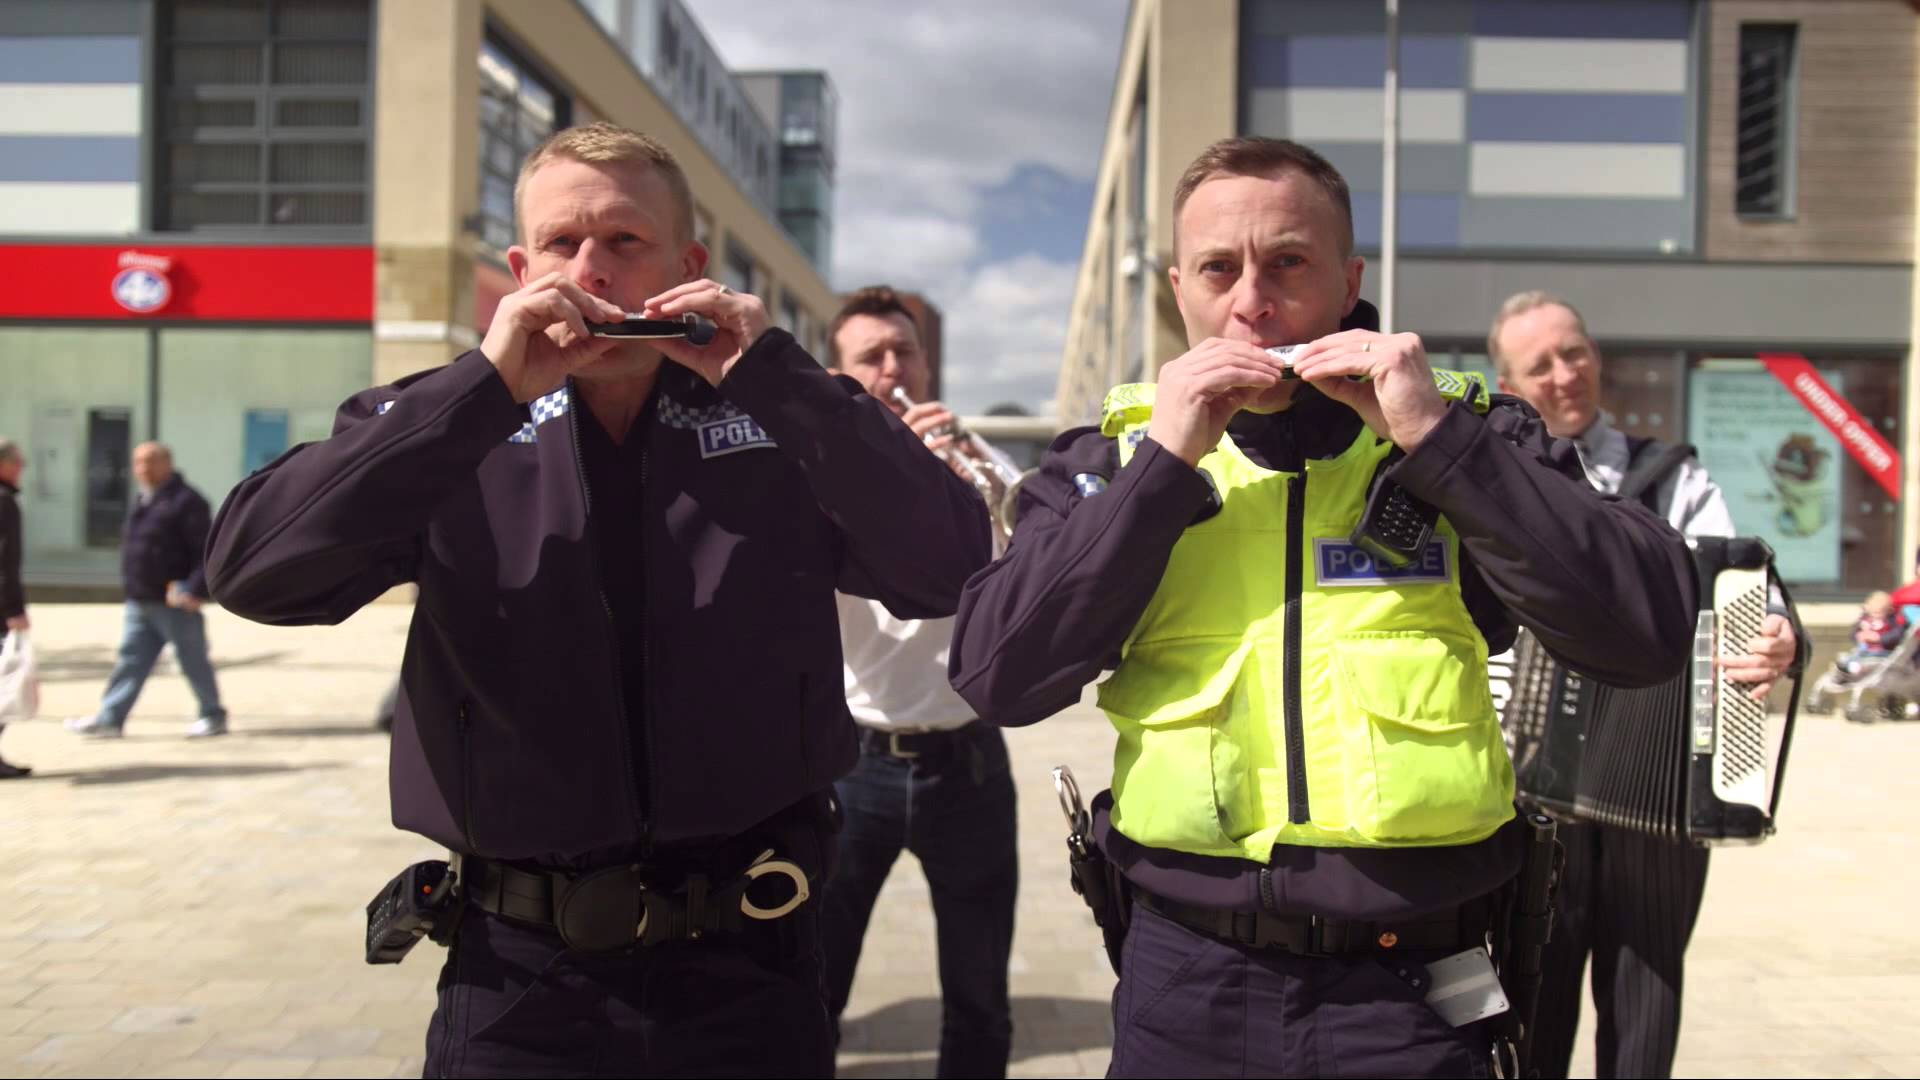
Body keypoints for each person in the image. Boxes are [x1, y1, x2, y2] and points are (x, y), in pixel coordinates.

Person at [204, 122, 992, 1078]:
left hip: (753, 959)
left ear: (687, 268)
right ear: (520, 269)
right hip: (519, 976)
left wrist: (781, 379)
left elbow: (952, 568)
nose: (591, 270)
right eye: (561, 243)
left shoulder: (779, 416)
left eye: (625, 240)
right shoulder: (445, 420)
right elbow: (254, 571)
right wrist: (478, 392)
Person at [947, 136, 1699, 1078]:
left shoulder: (1469, 430)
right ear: (1180, 290)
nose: (1252, 301)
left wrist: (1439, 444)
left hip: (1419, 988)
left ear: (1349, 283)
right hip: (1187, 979)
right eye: (1218, 269)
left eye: (1288, 263)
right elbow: (997, 676)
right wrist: (1160, 471)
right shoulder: (1112, 457)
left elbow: (1646, 633)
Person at [1488, 289, 1801, 1079]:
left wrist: (1774, 632)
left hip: (1659, 794)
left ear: (1596, 356)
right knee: (1532, 995)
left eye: (1574, 352)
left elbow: (1741, 589)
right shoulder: (1495, 482)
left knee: (1646, 996)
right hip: (1531, 787)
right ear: (1509, 385)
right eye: (1540, 365)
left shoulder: (1674, 476)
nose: (1565, 374)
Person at [820, 286, 1017, 1078]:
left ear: (927, 364)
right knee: (816, 981)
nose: (892, 369)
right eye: (871, 357)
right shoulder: (823, 468)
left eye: (904, 352)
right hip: (853, 762)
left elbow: (1033, 574)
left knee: (979, 995)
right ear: (842, 374)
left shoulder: (977, 457)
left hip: (968, 761)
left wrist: (979, 490)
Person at [67, 442, 228, 740]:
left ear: (167, 463)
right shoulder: (143, 499)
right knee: (130, 661)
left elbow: (206, 551)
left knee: (192, 660)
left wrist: (196, 589)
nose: (143, 469)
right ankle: (110, 719)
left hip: (175, 602)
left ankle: (212, 715)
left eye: (150, 461)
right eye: (139, 462)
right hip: (140, 599)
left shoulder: (187, 501)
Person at [0, 438, 31, 777]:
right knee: (4, 682)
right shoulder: (4, 502)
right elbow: (5, 563)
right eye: (17, 462)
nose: (22, 468)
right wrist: (13, 611)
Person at [1837, 590, 1905, 675]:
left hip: (1882, 651)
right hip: (1864, 650)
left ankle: (1854, 667)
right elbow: (1853, 634)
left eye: (1879, 613)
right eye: (1872, 613)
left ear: (1888, 611)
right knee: (1856, 654)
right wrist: (1858, 635)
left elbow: (1897, 635)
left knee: (1862, 655)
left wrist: (1879, 638)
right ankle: (1847, 666)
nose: (1875, 616)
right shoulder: (1865, 620)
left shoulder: (1891, 622)